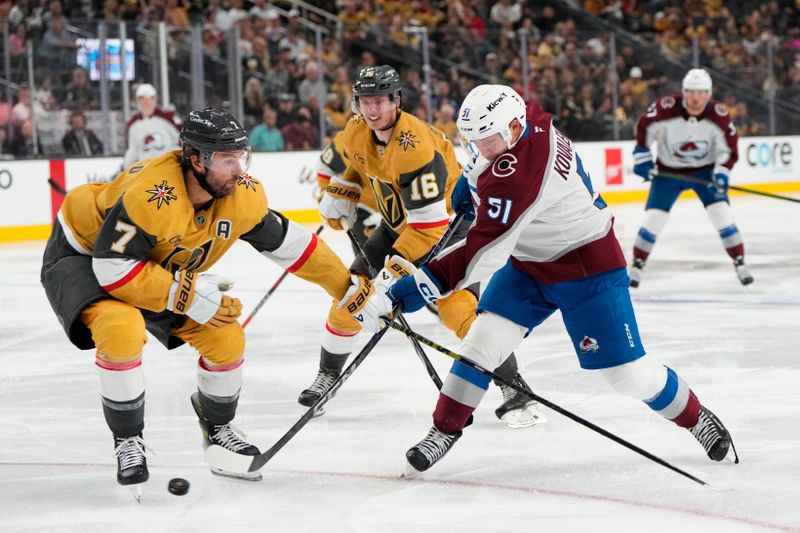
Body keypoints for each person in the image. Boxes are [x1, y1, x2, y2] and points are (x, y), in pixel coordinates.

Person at [355, 84, 738, 473]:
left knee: (628, 377)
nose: (479, 149)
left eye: (486, 141)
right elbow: (483, 162)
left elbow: (480, 256)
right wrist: (470, 181)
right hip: (529, 264)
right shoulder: (524, 118)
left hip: (587, 268)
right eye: (472, 141)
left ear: (514, 128)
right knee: (482, 341)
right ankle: (444, 429)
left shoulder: (520, 173)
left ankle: (695, 416)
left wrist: (406, 290)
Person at [40, 107, 374, 489]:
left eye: (240, 156)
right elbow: (113, 270)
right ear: (196, 160)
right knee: (122, 329)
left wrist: (346, 288)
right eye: (226, 159)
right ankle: (128, 439)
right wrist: (186, 297)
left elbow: (292, 245)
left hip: (150, 263)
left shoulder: (239, 193)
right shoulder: (154, 196)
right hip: (85, 253)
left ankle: (218, 431)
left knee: (226, 337)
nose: (238, 169)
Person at [303, 65, 543, 428]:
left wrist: (391, 279)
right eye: (365, 102)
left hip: (445, 230)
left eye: (379, 102)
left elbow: (429, 228)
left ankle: (515, 388)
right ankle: (327, 377)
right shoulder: (355, 129)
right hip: (398, 225)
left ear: (396, 101)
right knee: (349, 294)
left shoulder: (415, 147)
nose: (371, 110)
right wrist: (344, 188)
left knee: (458, 312)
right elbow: (358, 165)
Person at [630, 68, 753, 287]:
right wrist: (642, 156)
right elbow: (644, 128)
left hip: (704, 173)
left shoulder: (719, 116)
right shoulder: (664, 108)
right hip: (668, 172)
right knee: (653, 219)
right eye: (691, 92)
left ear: (709, 94)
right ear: (684, 92)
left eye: (701, 93)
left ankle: (740, 262)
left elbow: (728, 150)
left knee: (722, 216)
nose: (696, 98)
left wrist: (722, 171)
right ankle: (637, 264)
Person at [123, 83, 182, 168]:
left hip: (169, 168)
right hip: (146, 170)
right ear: (137, 101)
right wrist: (126, 171)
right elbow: (132, 150)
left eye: (150, 99)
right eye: (143, 99)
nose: (146, 103)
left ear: (154, 99)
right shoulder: (133, 124)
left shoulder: (168, 118)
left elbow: (181, 141)